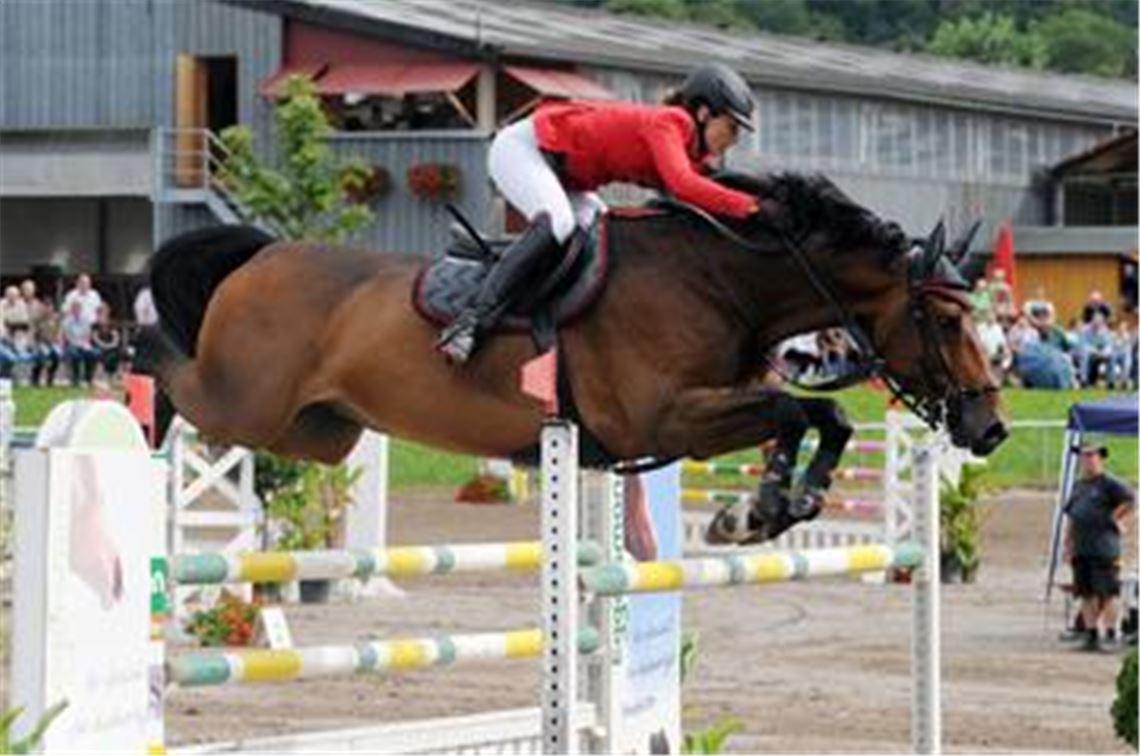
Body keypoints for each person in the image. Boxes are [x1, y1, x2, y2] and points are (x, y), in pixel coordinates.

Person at [436, 63, 780, 364]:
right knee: (559, 223)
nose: (732, 140)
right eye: (731, 127)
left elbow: (713, 187)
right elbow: (685, 186)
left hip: (567, 176)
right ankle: (469, 323)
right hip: (524, 149)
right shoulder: (670, 122)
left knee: (605, 234)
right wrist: (752, 209)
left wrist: (769, 200)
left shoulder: (690, 149)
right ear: (704, 112)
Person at [1062, 442, 1135, 651]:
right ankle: (1091, 634)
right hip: (1082, 548)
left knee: (1109, 592)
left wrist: (1114, 517)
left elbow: (1129, 500)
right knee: (1086, 593)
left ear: (1100, 458)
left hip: (1104, 548)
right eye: (1084, 457)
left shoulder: (1109, 483)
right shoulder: (1079, 486)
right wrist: (1069, 543)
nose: (1087, 460)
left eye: (1091, 456)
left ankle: (1111, 634)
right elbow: (1073, 516)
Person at [61, 299, 98, 386]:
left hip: (83, 344)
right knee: (75, 355)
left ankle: (88, 378)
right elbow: (66, 336)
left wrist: (85, 343)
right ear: (71, 309)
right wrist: (74, 343)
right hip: (71, 344)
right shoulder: (67, 321)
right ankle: (75, 378)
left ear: (81, 309)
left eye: (78, 308)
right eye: (74, 308)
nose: (76, 310)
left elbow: (88, 334)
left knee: (94, 354)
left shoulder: (85, 320)